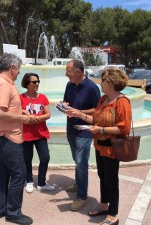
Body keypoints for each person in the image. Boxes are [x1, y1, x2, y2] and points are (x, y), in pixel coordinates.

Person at [69, 68, 131, 225]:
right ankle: (104, 205)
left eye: (102, 81)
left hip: (112, 147)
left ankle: (113, 214)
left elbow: (123, 128)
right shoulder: (103, 100)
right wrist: (79, 115)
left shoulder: (122, 102)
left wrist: (101, 130)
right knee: (103, 177)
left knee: (112, 180)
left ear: (110, 82)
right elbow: (96, 120)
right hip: (99, 146)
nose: (100, 83)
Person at [0, 53, 36, 225]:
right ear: (12, 67)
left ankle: (1, 209)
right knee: (19, 174)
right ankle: (13, 213)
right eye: (18, 69)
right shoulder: (4, 85)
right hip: (6, 137)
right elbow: (0, 112)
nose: (18, 73)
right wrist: (22, 119)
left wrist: (19, 112)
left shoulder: (2, 82)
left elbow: (4, 109)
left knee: (3, 173)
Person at [63, 59, 101, 211]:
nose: (66, 74)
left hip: (84, 130)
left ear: (78, 72)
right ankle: (79, 183)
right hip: (71, 128)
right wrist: (64, 105)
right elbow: (66, 100)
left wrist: (80, 112)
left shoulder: (92, 87)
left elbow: (98, 110)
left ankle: (82, 196)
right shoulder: (69, 85)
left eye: (68, 71)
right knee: (76, 159)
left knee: (81, 162)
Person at [19, 73, 55, 193]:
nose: (37, 84)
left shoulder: (43, 97)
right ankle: (29, 181)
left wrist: (37, 118)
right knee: (27, 159)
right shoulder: (20, 98)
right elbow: (16, 114)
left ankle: (41, 183)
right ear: (27, 84)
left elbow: (48, 114)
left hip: (40, 133)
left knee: (45, 157)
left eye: (38, 81)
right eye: (34, 82)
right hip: (26, 133)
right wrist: (26, 116)